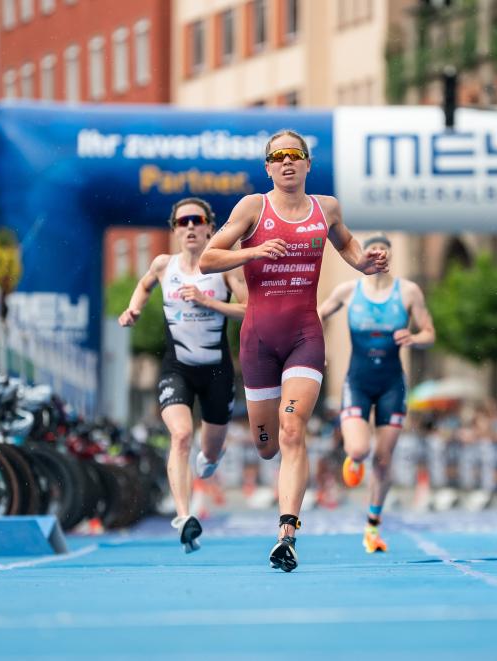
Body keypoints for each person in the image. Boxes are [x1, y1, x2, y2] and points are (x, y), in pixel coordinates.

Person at [199, 129, 388, 572]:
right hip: (259, 340)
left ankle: (287, 533)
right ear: (268, 167)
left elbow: (346, 244)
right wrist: (254, 251)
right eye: (277, 156)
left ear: (307, 164)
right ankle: (239, 454)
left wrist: (363, 263)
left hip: (305, 334)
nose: (286, 162)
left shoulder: (327, 208)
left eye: (295, 155)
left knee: (291, 430)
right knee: (266, 445)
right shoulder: (252, 208)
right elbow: (209, 259)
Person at [119, 197, 248, 553]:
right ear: (175, 230)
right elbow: (145, 285)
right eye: (182, 222)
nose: (190, 227)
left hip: (217, 372)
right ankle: (183, 517)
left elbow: (248, 309)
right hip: (177, 368)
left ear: (210, 227)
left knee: (207, 457)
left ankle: (210, 459)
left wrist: (209, 303)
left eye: (197, 220)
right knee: (180, 435)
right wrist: (133, 309)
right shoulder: (164, 265)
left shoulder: (223, 268)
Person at [317, 233, 434, 553]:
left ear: (391, 256)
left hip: (392, 386)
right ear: (365, 256)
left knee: (383, 460)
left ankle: (372, 526)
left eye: (384, 251)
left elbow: (429, 332)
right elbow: (316, 316)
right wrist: (317, 347)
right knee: (358, 449)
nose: (379, 256)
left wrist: (414, 337)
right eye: (373, 252)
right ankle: (353, 459)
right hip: (358, 382)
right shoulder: (348, 291)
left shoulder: (408, 292)